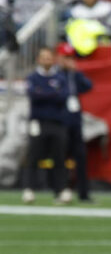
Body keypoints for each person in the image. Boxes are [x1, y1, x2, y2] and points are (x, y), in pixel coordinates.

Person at [22, 47, 71, 204]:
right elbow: (34, 95)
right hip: (38, 122)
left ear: (53, 59)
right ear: (38, 59)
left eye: (49, 57)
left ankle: (61, 190)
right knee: (34, 156)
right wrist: (51, 93)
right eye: (43, 57)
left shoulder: (60, 77)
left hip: (57, 123)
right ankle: (29, 189)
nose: (46, 60)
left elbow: (63, 97)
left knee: (59, 157)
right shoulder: (33, 77)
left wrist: (44, 93)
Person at [58, 42, 94, 202]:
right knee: (61, 157)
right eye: (66, 57)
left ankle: (83, 194)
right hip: (61, 121)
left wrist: (77, 72)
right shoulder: (56, 75)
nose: (69, 60)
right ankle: (61, 191)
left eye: (70, 57)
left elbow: (88, 86)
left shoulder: (75, 75)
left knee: (81, 157)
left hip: (75, 121)